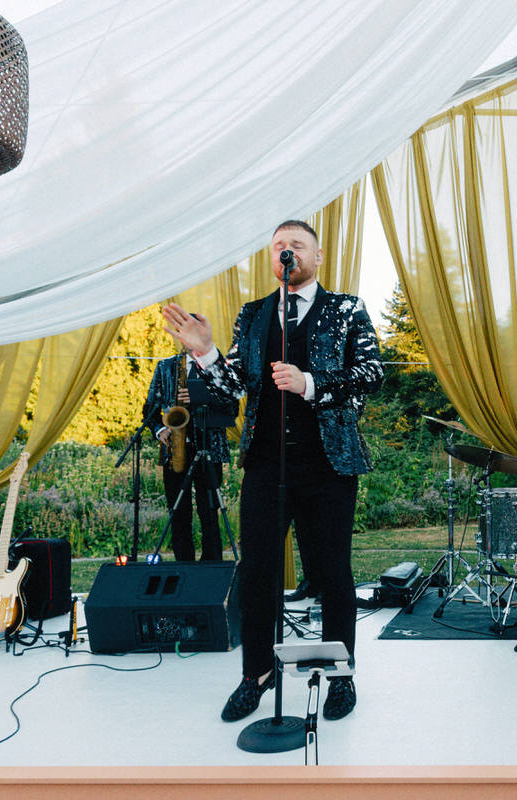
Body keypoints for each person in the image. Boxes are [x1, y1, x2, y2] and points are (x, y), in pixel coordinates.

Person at [162, 220, 382, 724]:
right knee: (257, 573)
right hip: (266, 464)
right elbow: (233, 385)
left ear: (317, 256)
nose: (287, 252)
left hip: (328, 465)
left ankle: (340, 675)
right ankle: (256, 675)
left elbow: (371, 374)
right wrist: (205, 351)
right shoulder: (255, 314)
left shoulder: (346, 308)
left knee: (331, 573)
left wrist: (309, 383)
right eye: (279, 246)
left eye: (296, 246)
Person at [142, 344, 236, 562]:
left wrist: (201, 395)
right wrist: (160, 429)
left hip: (208, 448)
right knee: (178, 511)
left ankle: (212, 562)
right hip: (175, 448)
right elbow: (150, 409)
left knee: (209, 509)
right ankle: (183, 562)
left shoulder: (218, 366)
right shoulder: (165, 367)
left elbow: (232, 406)